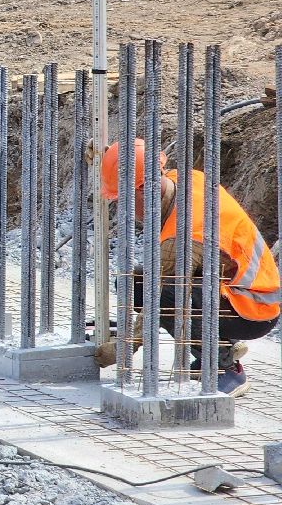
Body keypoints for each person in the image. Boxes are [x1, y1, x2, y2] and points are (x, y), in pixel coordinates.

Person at [95, 139, 280, 396]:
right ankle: (221, 343)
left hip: (254, 309)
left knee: (165, 295)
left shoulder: (185, 233)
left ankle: (223, 366)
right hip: (233, 293)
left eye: (122, 199)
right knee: (135, 283)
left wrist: (121, 349)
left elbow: (155, 300)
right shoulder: (183, 179)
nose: (121, 208)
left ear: (143, 189)